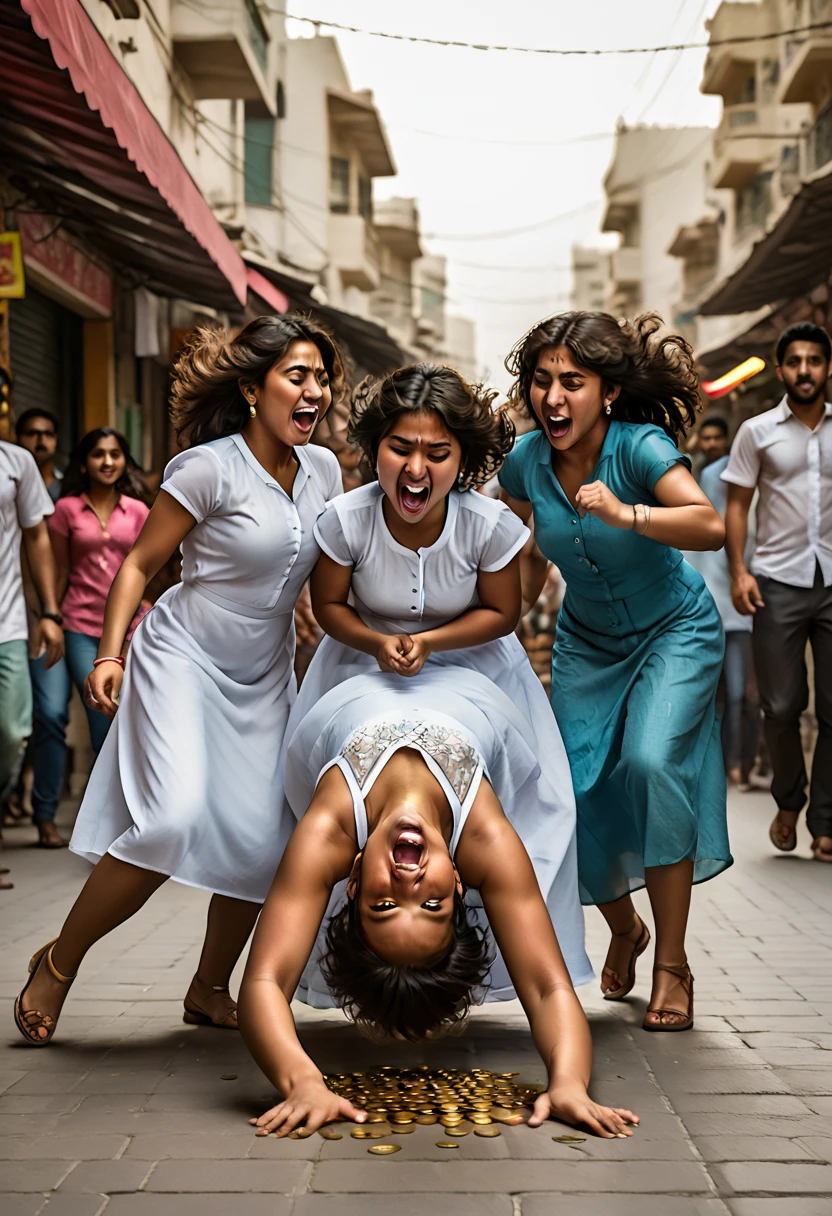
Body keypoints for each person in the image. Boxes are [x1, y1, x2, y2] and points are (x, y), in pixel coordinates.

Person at [13, 313, 344, 1043]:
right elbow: (136, 564)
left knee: (267, 841)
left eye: (321, 376)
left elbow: (321, 581)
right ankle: (59, 964)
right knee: (170, 820)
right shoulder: (207, 467)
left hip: (265, 675)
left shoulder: (323, 469)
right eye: (298, 375)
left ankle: (207, 988)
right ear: (254, 389)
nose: (314, 389)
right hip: (182, 660)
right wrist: (108, 654)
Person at [286, 363, 588, 982]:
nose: (416, 469)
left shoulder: (489, 524)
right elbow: (329, 607)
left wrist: (430, 641)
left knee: (528, 810)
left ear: (463, 459)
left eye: (437, 453)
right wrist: (377, 641)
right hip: (360, 671)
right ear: (374, 451)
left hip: (479, 670)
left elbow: (503, 613)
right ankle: (369, 952)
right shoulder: (346, 519)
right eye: (400, 449)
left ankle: (486, 955)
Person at [240, 675, 636, 1141]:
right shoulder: (485, 840)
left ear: (350, 883)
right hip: (479, 678)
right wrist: (569, 1082)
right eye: (432, 903)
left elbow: (264, 980)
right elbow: (550, 987)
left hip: (354, 670)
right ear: (459, 881)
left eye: (383, 904)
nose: (408, 880)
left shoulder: (330, 831)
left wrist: (303, 1080)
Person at [499, 311, 731, 1034]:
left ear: (606, 391)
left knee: (651, 764)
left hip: (675, 629)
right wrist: (495, 627)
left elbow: (708, 525)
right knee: (568, 788)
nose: (554, 397)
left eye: (573, 381)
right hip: (588, 642)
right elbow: (529, 555)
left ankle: (673, 963)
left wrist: (630, 513)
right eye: (542, 382)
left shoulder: (641, 447)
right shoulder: (525, 462)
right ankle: (623, 928)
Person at [723, 321, 832, 862]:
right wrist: (739, 572)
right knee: (782, 705)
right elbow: (737, 506)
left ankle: (826, 822)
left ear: (827, 368)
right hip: (777, 582)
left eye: (815, 360)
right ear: (782, 368)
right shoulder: (757, 431)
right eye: (795, 361)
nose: (805, 370)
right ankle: (789, 800)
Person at [27, 429, 150, 848]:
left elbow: (150, 568)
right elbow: (57, 570)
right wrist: (48, 618)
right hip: (77, 623)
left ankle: (118, 819)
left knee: (118, 720)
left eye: (115, 454)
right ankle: (49, 817)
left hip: (131, 627)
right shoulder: (65, 510)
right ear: (84, 462)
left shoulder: (138, 511)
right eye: (98, 454)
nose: (107, 462)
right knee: (94, 710)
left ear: (124, 461)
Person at [0, 438, 65, 889]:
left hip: (8, 623)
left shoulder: (16, 462)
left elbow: (37, 535)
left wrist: (49, 611)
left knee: (11, 730)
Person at [687, 416, 760, 790]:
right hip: (706, 603)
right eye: (707, 436)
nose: (711, 443)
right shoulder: (696, 475)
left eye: (719, 437)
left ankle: (738, 765)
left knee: (737, 693)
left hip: (735, 602)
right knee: (723, 694)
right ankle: (729, 766)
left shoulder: (720, 475)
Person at [16, 408, 63, 502]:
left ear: (56, 440)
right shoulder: (7, 484)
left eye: (48, 434)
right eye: (32, 433)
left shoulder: (69, 487)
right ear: (18, 438)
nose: (41, 440)